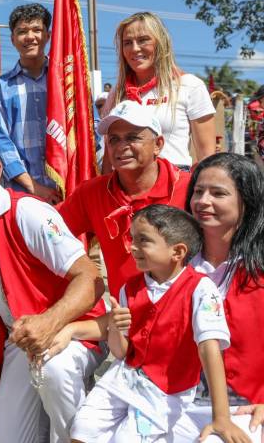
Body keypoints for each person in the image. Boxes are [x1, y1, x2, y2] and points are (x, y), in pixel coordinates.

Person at [0, 131, 105, 443]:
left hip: (75, 328)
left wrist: (49, 322)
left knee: (54, 372)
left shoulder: (27, 213)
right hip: (20, 338)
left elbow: (91, 279)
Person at [68, 205, 247, 443]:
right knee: (81, 429)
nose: (132, 247)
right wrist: (116, 327)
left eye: (143, 240)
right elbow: (122, 352)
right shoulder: (129, 288)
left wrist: (221, 417)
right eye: (132, 238)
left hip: (164, 392)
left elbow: (209, 348)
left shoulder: (201, 289)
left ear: (178, 251)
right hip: (123, 378)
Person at [58, 100, 191, 300]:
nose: (121, 147)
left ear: (158, 145)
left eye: (132, 138)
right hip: (124, 319)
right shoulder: (92, 193)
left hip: (183, 313)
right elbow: (48, 228)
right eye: (113, 140)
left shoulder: (189, 189)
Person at [177, 153, 264, 442]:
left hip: (246, 406)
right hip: (175, 402)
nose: (203, 201)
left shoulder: (259, 268)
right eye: (198, 191)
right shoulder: (174, 262)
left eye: (218, 193)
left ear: (247, 202)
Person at [103, 11, 216, 170]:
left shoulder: (190, 85)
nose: (134, 49)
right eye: (127, 42)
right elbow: (109, 156)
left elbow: (207, 158)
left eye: (143, 40)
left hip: (174, 184)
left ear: (161, 43)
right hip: (124, 187)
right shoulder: (117, 92)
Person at [0, 3, 61, 204]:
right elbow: (1, 142)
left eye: (37, 30)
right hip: (22, 195)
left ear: (48, 35)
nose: (30, 37)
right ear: (12, 39)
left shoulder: (66, 81)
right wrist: (33, 186)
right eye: (22, 31)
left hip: (68, 188)